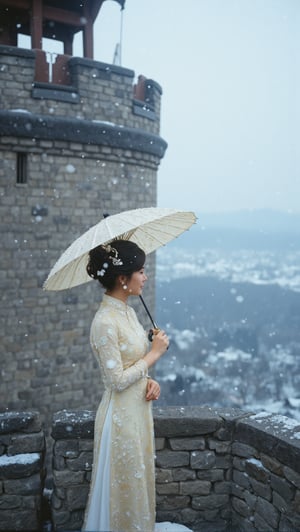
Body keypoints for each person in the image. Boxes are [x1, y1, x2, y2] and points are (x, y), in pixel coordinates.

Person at [83, 239, 169, 532]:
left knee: (138, 483)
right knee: (124, 491)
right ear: (123, 278)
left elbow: (131, 367)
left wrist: (148, 381)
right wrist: (154, 355)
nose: (145, 278)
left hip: (137, 412)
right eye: (141, 271)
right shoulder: (104, 322)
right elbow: (115, 380)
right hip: (120, 418)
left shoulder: (129, 312)